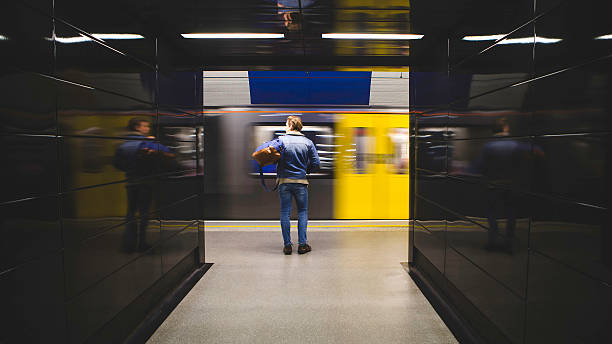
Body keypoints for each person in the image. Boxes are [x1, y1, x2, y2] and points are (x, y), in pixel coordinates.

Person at [115, 117, 174, 252]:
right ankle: (141, 243)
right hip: (146, 183)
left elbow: (117, 164)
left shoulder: (122, 145)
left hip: (130, 182)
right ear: (137, 127)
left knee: (130, 212)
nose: (147, 129)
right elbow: (170, 154)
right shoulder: (148, 143)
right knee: (143, 213)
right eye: (145, 126)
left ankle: (129, 244)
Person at [277, 115, 320, 255]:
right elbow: (316, 163)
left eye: (286, 124)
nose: (285, 127)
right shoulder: (308, 142)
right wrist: (305, 171)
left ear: (290, 125)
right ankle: (302, 245)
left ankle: (287, 246)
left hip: (284, 182)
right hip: (301, 183)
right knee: (302, 212)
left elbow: (270, 158)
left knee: (285, 213)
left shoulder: (280, 140)